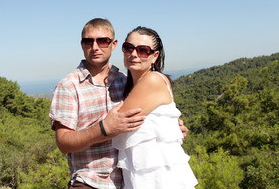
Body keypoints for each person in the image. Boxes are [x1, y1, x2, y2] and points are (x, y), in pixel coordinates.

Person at [49, 18, 189, 189]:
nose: (95, 47)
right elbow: (63, 143)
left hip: (133, 179)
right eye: (88, 41)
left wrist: (169, 128)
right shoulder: (69, 86)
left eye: (102, 41)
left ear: (113, 44)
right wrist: (103, 128)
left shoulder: (124, 80)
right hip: (91, 182)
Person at [112, 26, 198, 188]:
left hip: (159, 179)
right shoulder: (132, 86)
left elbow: (114, 126)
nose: (134, 54)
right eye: (128, 48)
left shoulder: (153, 80)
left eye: (143, 50)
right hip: (144, 176)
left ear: (155, 56)